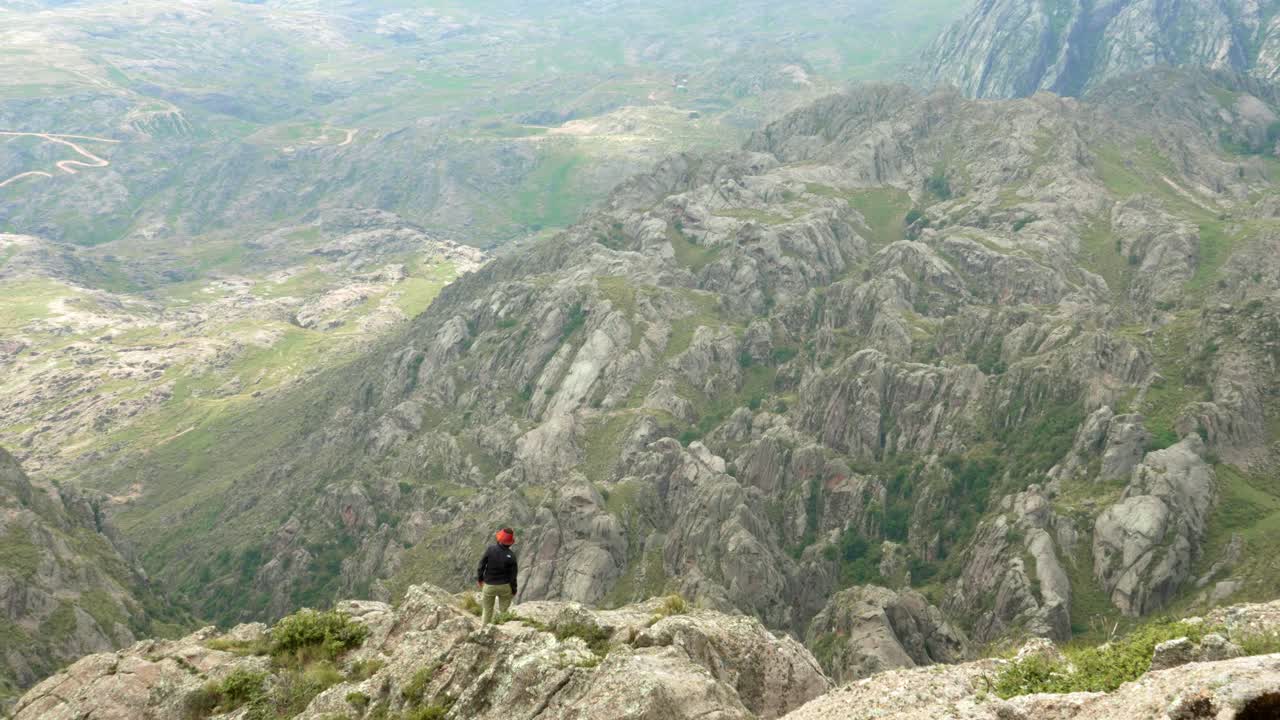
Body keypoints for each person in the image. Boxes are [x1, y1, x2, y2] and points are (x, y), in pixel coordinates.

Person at [476, 527, 518, 624]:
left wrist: (480, 579)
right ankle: (501, 630)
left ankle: (484, 631)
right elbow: (513, 576)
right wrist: (514, 589)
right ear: (510, 542)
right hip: (505, 587)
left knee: (487, 611)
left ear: (499, 538)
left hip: (489, 585)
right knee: (503, 612)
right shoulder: (511, 556)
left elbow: (481, 565)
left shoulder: (490, 549)